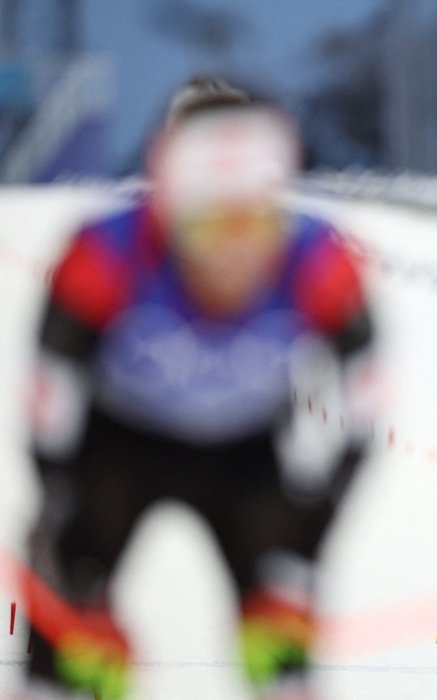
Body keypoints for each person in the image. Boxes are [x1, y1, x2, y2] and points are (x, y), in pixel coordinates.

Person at [24, 79, 374, 699]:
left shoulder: (320, 259)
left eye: (256, 224)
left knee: (278, 641)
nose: (235, 253)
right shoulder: (106, 251)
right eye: (211, 227)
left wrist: (306, 546)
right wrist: (62, 533)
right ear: (170, 210)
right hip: (119, 446)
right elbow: (50, 396)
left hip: (247, 453)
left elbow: (365, 410)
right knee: (72, 641)